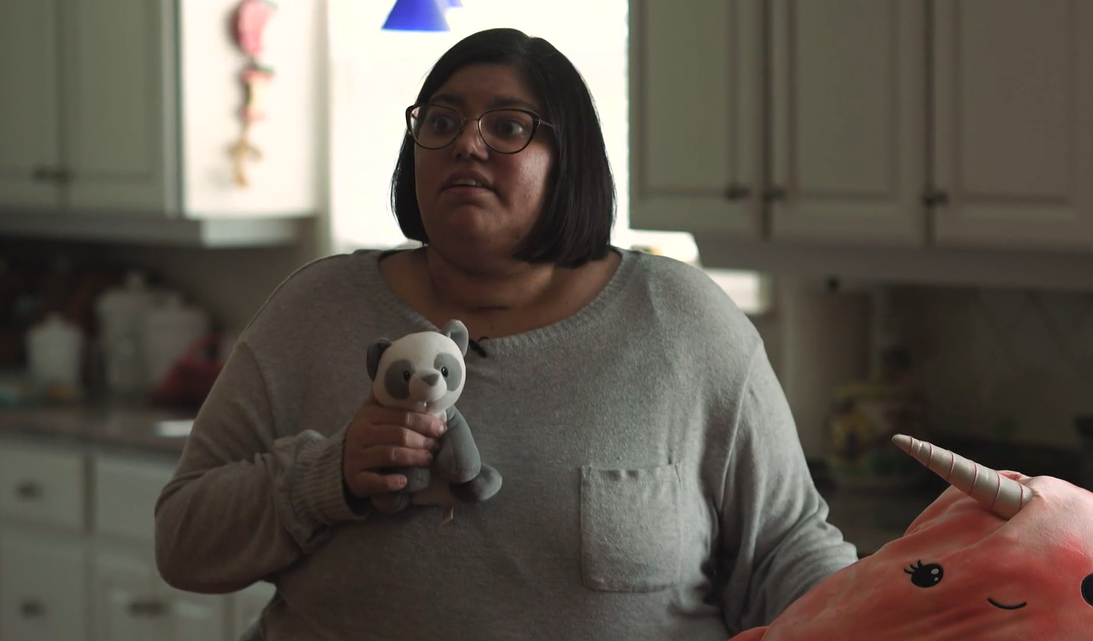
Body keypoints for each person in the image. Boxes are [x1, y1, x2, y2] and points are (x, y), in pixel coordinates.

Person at [154, 27, 857, 640]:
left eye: (509, 126)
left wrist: (885, 615)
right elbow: (183, 539)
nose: (466, 143)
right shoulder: (316, 309)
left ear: (569, 157)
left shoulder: (683, 322)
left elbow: (785, 549)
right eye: (442, 120)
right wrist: (325, 476)